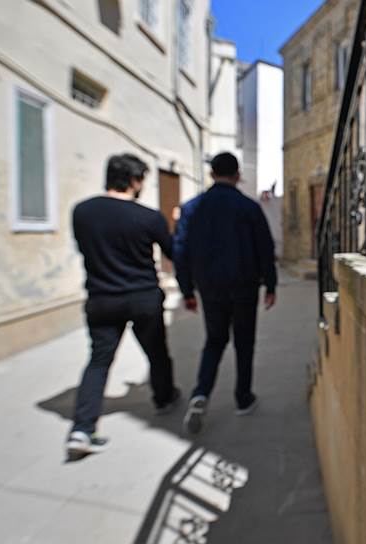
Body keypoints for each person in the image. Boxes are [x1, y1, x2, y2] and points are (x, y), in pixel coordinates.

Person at [67, 154, 180, 457]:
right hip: (142, 298)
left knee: (99, 362)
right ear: (133, 180)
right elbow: (173, 251)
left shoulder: (82, 212)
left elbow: (84, 249)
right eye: (142, 179)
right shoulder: (148, 217)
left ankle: (82, 428)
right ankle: (164, 398)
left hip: (102, 299)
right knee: (157, 353)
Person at [173, 152, 277, 433]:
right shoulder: (248, 208)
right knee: (244, 342)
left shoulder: (192, 208)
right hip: (244, 287)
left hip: (210, 288)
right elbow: (265, 248)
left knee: (214, 341)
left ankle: (201, 393)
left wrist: (187, 291)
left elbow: (180, 252)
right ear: (237, 174)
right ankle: (243, 398)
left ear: (212, 174)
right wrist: (271, 284)